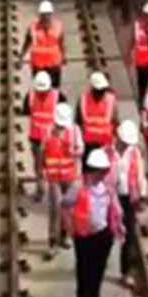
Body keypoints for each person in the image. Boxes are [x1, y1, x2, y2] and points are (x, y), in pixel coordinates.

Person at [63, 148, 123, 297]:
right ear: (91, 170)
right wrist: (69, 227)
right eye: (100, 172)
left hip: (103, 232)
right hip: (83, 233)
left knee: (99, 266)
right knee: (83, 266)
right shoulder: (77, 186)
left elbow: (114, 206)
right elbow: (65, 205)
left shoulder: (107, 186)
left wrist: (117, 226)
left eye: (105, 171)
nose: (103, 175)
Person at [110, 120, 148, 288]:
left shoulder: (134, 153)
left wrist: (142, 195)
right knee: (106, 234)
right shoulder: (108, 153)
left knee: (129, 234)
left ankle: (126, 271)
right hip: (111, 198)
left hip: (128, 198)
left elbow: (140, 174)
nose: (126, 146)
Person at [43, 103, 83, 251]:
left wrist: (72, 151)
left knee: (68, 208)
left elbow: (81, 150)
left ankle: (65, 234)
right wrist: (42, 169)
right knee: (55, 207)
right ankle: (52, 240)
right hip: (54, 176)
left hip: (70, 175)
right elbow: (43, 151)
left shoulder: (75, 131)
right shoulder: (47, 131)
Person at [23, 70, 65, 199]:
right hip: (38, 137)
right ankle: (41, 189)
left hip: (52, 138)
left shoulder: (57, 96)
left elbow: (26, 111)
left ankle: (57, 188)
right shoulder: (32, 96)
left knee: (51, 165)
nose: (42, 93)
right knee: (40, 166)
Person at [19, 0, 65, 88]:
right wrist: (21, 57)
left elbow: (61, 43)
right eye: (43, 15)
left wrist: (63, 56)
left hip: (54, 64)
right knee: (40, 88)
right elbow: (27, 42)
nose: (45, 17)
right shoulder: (32, 28)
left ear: (51, 15)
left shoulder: (58, 26)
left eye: (47, 15)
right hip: (38, 65)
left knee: (54, 89)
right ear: (40, 15)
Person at [77, 70, 117, 155]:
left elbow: (114, 120)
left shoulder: (110, 99)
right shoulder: (84, 98)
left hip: (105, 141)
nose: (101, 92)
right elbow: (79, 121)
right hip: (88, 142)